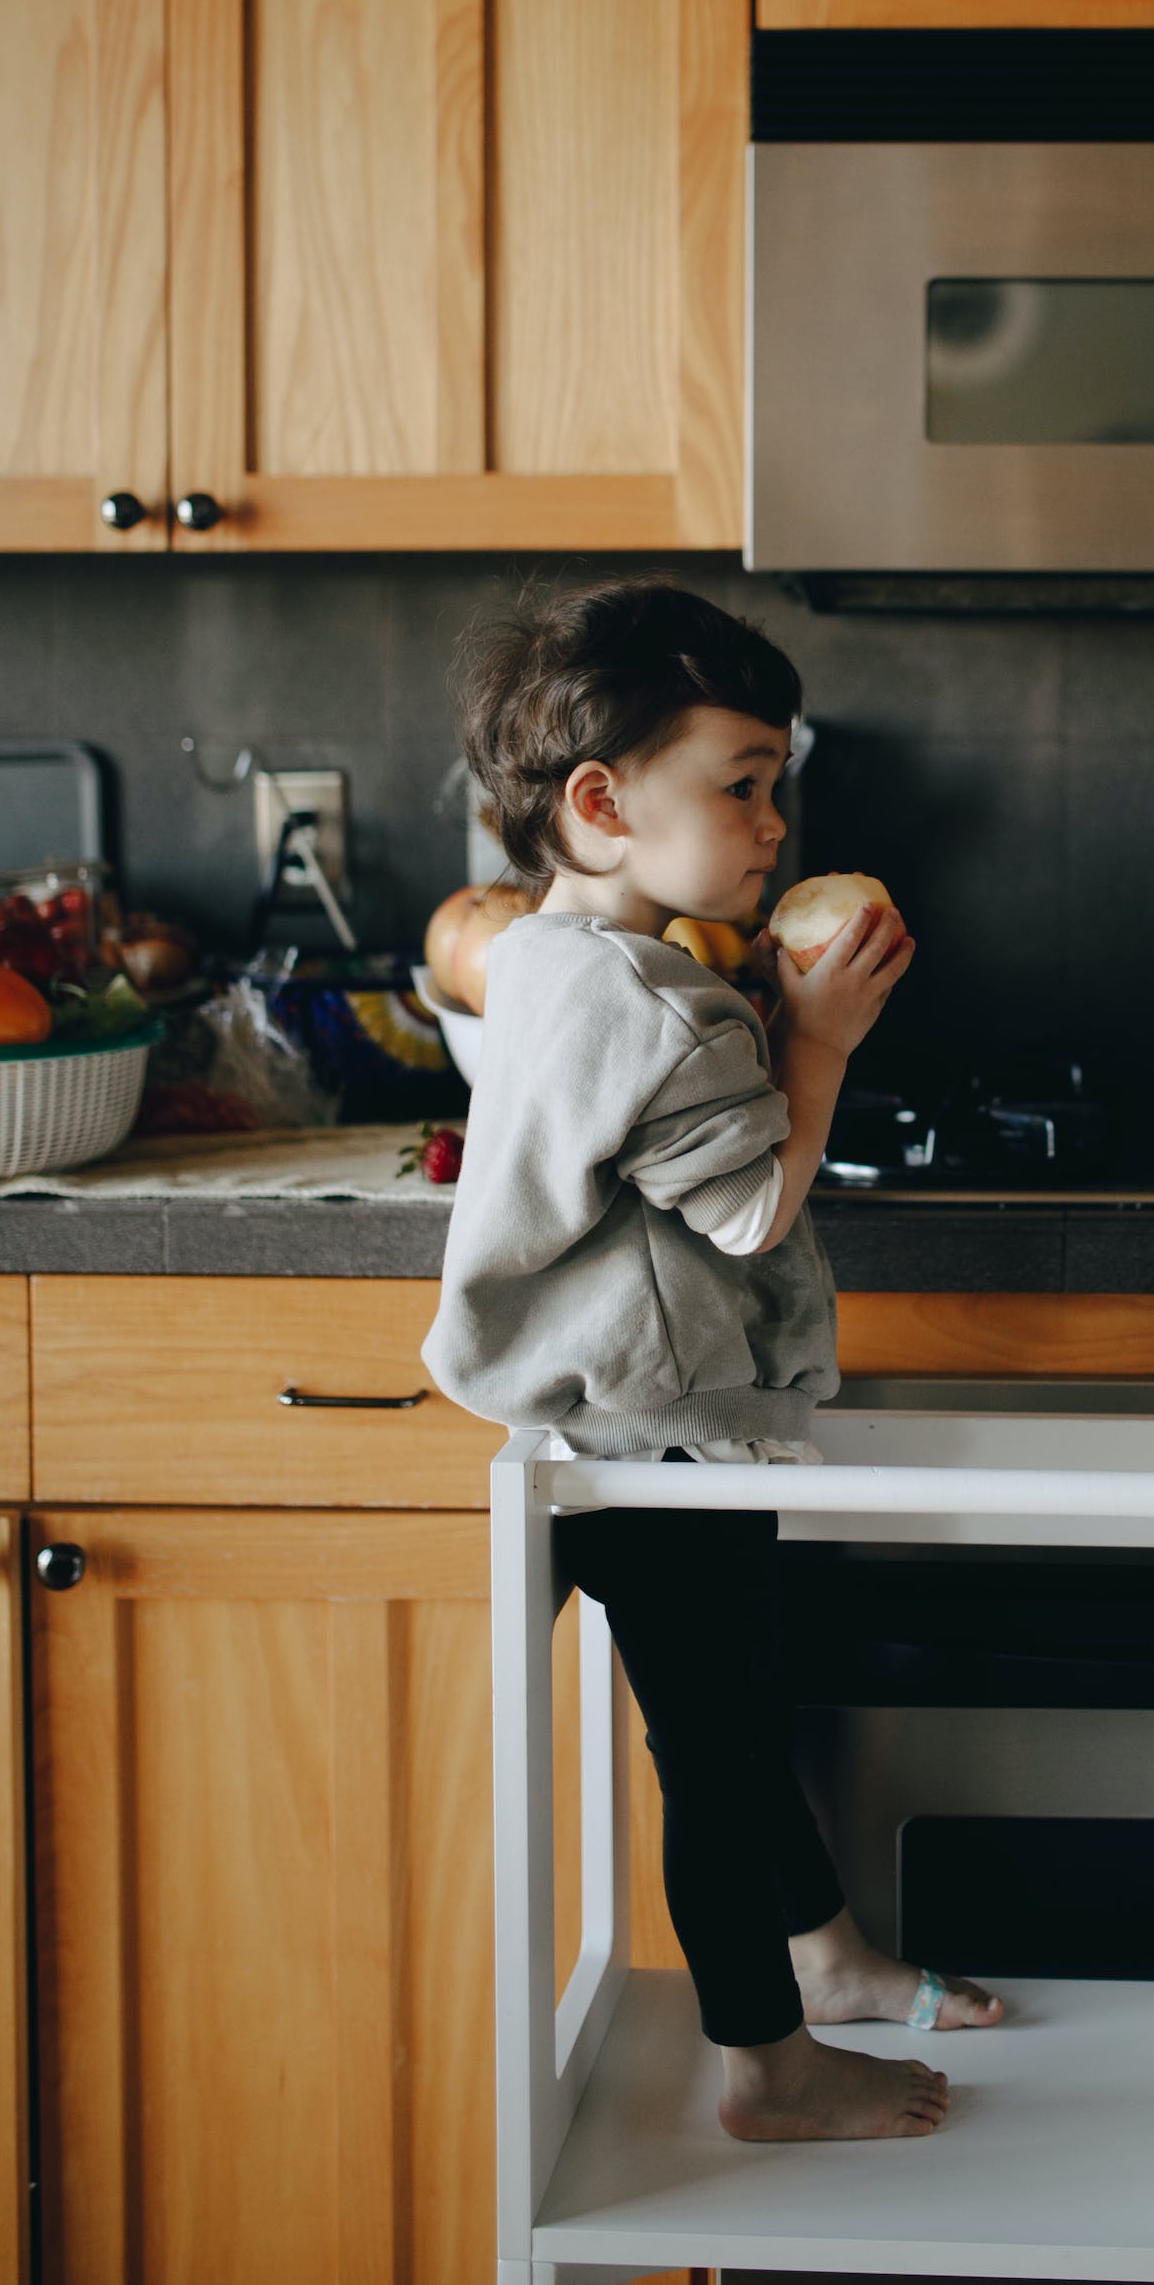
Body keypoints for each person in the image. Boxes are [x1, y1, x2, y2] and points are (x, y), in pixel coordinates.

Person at [423, 577, 1002, 2142]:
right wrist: (815, 1046)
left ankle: (833, 1964)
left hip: (606, 1426)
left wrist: (752, 1006)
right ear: (604, 804)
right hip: (660, 1435)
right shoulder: (666, 1007)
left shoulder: (558, 959)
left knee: (725, 1718)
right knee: (727, 1754)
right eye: (741, 784)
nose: (771, 824)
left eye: (778, 786)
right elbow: (747, 1212)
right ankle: (767, 2060)